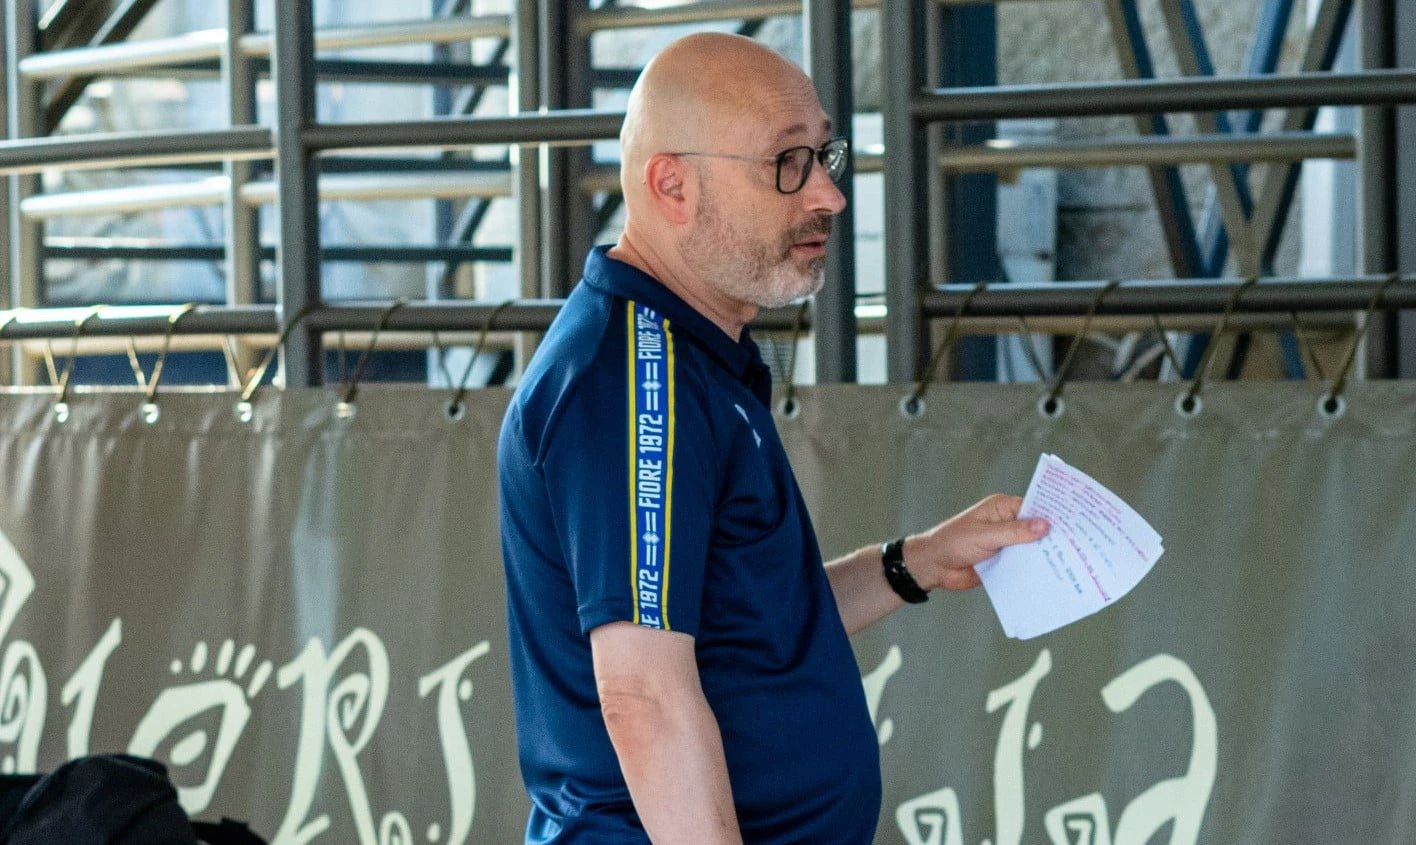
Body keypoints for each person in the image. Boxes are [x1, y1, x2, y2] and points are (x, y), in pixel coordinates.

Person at [497, 32, 1049, 845]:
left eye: (824, 154)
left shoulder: (691, 353)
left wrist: (915, 561)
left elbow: (743, 622)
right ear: (673, 185)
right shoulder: (636, 380)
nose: (828, 194)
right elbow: (644, 696)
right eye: (788, 162)